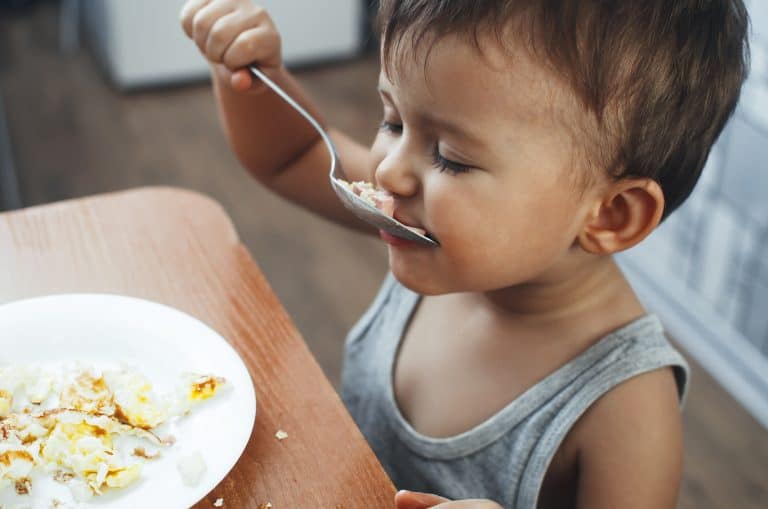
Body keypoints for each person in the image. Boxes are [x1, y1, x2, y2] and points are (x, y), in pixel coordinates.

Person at [180, 1, 749, 507]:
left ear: (610, 215)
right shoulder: (440, 237)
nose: (388, 170)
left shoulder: (625, 410)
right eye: (392, 119)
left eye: (451, 157)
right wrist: (251, 75)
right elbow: (296, 154)